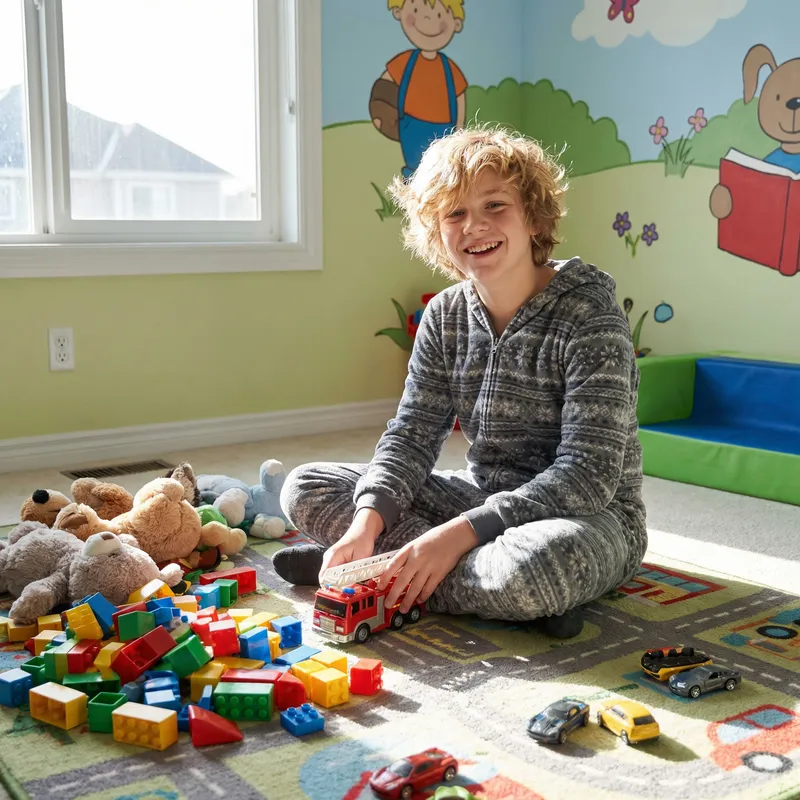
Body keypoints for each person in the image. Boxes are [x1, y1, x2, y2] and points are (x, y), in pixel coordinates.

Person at [274, 125, 647, 639]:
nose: (475, 226)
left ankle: (389, 574)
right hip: (482, 499)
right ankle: (447, 575)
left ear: (534, 217)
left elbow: (588, 475)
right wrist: (368, 522)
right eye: (455, 213)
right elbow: (412, 434)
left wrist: (456, 536)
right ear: (436, 233)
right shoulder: (444, 316)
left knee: (538, 569)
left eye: (495, 205)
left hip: (590, 517)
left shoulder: (589, 313)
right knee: (307, 486)